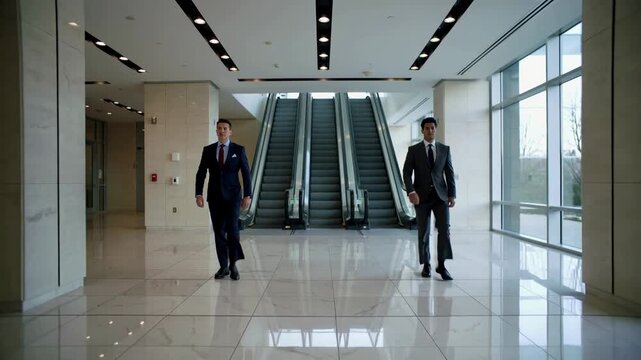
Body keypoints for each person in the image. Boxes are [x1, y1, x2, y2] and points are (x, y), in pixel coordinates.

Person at [195, 119, 252, 281]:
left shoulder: (238, 150)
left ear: (230, 131)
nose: (222, 131)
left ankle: (233, 264)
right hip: (214, 197)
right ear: (216, 131)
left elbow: (246, 174)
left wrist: (248, 195)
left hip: (233, 197)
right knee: (219, 231)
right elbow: (201, 173)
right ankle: (223, 266)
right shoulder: (208, 150)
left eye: (225, 128)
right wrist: (198, 193)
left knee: (233, 231)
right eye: (219, 128)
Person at [402, 117, 456, 280]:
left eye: (433, 128)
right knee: (424, 232)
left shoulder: (444, 149)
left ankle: (442, 265)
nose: (430, 131)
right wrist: (411, 192)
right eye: (427, 128)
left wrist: (452, 194)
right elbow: (406, 173)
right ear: (422, 130)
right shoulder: (414, 150)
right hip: (421, 197)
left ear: (436, 129)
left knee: (444, 230)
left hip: (440, 197)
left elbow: (449, 173)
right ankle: (426, 264)